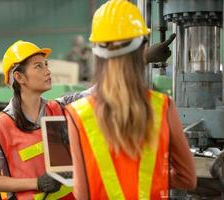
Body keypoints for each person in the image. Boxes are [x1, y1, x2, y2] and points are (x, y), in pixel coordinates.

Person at [65, 0, 196, 199]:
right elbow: (187, 178)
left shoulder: (78, 114)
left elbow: (82, 193)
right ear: (143, 48)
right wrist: (154, 177)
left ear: (97, 52)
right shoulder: (162, 106)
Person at [0, 41, 88, 200]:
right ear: (19, 77)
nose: (48, 71)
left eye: (46, 64)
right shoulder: (0, 126)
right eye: (39, 66)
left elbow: (96, 92)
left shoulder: (57, 108)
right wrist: (37, 183)